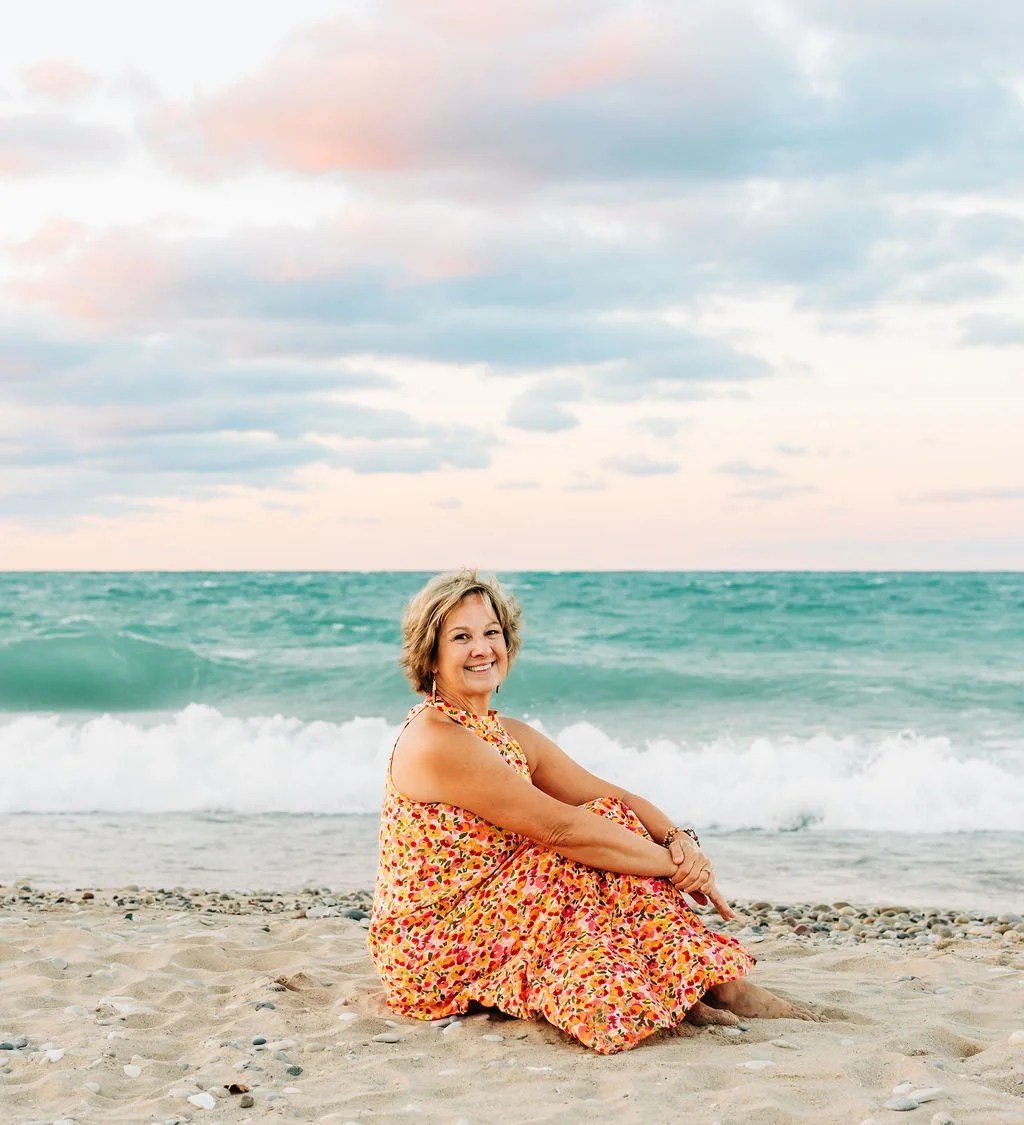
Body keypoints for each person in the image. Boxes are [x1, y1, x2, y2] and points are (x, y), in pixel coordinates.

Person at [368, 569, 815, 1053]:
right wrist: (677, 870)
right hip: (433, 942)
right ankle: (703, 983)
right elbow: (561, 828)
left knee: (606, 821)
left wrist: (679, 841)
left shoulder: (503, 733)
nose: (482, 648)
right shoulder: (437, 739)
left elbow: (610, 796)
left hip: (492, 910)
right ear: (430, 655)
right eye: (461, 637)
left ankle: (691, 982)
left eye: (491, 632)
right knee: (579, 852)